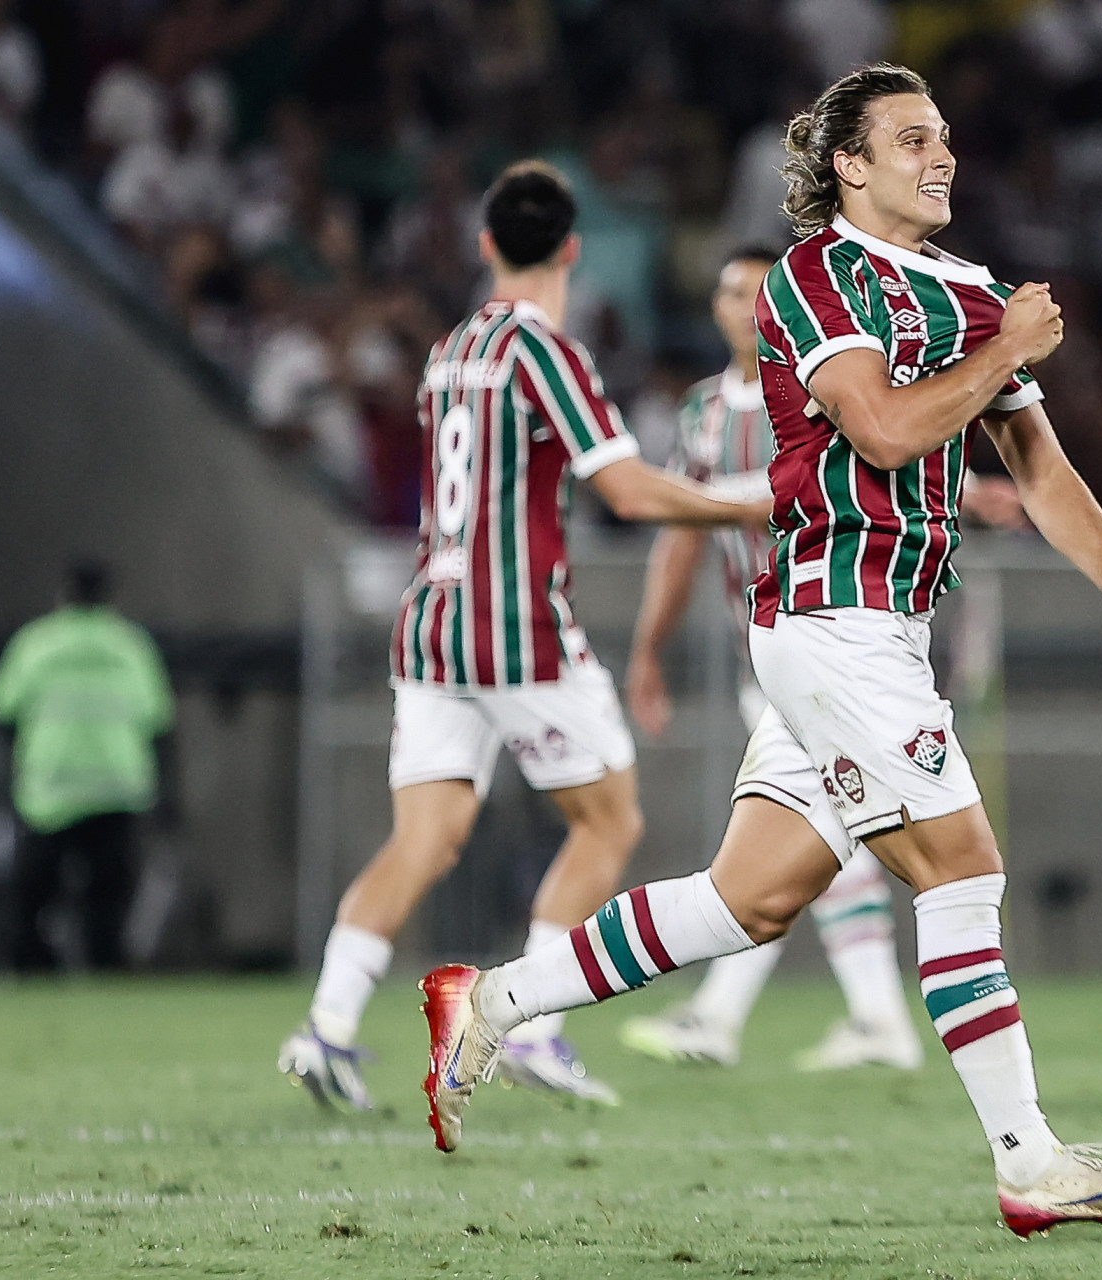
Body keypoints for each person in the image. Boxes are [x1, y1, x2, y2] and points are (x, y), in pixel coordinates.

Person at [418, 65, 1102, 1236]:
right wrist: (1007, 346)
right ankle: (1028, 1157)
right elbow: (880, 432)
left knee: (750, 898)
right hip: (834, 625)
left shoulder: (969, 290)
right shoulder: (816, 275)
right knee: (964, 872)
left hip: (881, 634)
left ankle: (494, 995)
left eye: (944, 137)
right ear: (849, 167)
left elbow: (1037, 464)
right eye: (910, 138)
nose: (942, 157)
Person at [278, 161, 770, 1112]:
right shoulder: (548, 351)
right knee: (609, 819)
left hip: (431, 625)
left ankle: (328, 1029)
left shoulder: (449, 349)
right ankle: (536, 1028)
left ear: (486, 245)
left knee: (424, 839)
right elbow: (623, 491)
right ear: (573, 251)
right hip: (517, 630)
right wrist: (752, 500)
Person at [618, 246, 1024, 1072]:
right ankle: (869, 1022)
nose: (740, 304)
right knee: (815, 853)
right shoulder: (702, 414)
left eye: (752, 289)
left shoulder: (820, 381)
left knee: (807, 856)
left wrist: (973, 490)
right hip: (769, 649)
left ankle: (732, 1017)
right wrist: (648, 650)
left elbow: (890, 456)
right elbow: (681, 545)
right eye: (726, 290)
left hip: (836, 639)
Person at [0, 562, 173, 970]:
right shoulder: (130, 645)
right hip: (115, 787)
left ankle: (32, 971)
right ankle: (104, 977)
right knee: (107, 897)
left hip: (50, 789)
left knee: (31, 894)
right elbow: (159, 723)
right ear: (111, 597)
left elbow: (0, 712)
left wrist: (2, 787)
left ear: (63, 595)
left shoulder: (36, 643)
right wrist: (168, 796)